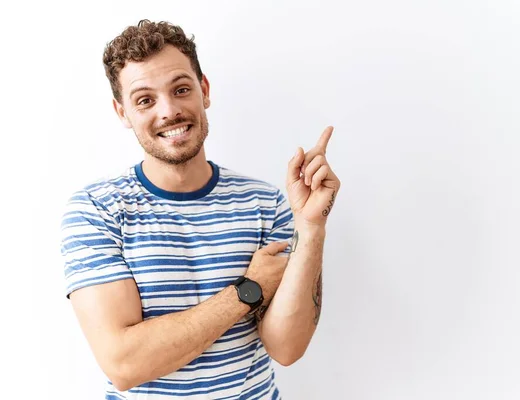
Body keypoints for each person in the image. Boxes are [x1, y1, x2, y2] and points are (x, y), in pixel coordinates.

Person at [59, 19, 341, 400]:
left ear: (203, 90)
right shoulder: (96, 210)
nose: (169, 111)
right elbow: (125, 365)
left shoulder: (266, 202)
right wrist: (247, 290)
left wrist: (310, 229)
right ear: (122, 112)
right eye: (145, 100)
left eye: (181, 89)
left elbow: (286, 349)